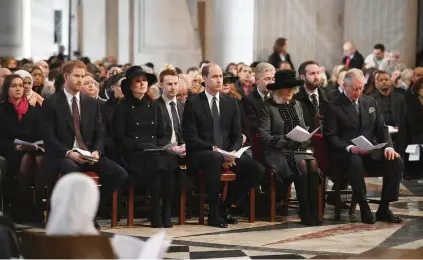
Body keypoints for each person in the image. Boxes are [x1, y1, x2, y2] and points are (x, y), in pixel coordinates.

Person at [42, 60, 128, 225]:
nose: (80, 80)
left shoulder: (91, 103)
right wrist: (69, 153)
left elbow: (99, 133)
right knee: (73, 170)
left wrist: (96, 152)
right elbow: (49, 137)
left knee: (119, 173)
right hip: (63, 155)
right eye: (76, 76)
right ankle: (73, 216)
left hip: (88, 153)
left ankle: (89, 212)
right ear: (66, 76)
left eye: (83, 76)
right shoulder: (52, 103)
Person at [182, 63, 265, 228]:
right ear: (205, 79)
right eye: (214, 77)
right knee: (214, 158)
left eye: (220, 76)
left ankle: (224, 207)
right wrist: (216, 150)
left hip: (227, 153)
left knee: (257, 169)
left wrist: (232, 152)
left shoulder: (231, 102)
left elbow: (236, 135)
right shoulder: (193, 103)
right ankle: (213, 214)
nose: (219, 80)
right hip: (202, 153)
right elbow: (190, 137)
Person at [324, 69, 403, 224]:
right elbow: (330, 136)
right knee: (355, 162)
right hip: (346, 155)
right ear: (344, 86)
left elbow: (381, 128)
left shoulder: (370, 102)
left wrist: (388, 147)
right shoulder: (333, 106)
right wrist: (349, 148)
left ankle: (384, 208)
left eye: (361, 88)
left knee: (396, 161)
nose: (359, 92)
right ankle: (364, 206)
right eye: (355, 89)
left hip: (369, 152)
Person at [112, 66, 180, 228]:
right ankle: (156, 212)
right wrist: (140, 146)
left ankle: (167, 212)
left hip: (154, 150)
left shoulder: (154, 105)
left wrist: (162, 146)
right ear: (130, 86)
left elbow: (163, 132)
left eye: (144, 81)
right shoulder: (122, 107)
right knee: (157, 166)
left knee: (170, 162)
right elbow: (119, 137)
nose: (142, 84)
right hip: (133, 154)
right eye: (138, 81)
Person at [258, 70, 321, 226]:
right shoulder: (266, 106)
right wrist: (286, 142)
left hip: (297, 148)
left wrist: (304, 138)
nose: (292, 91)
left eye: (293, 88)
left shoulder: (297, 104)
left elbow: (301, 128)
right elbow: (265, 136)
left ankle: (314, 209)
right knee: (301, 165)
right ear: (278, 89)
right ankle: (304, 209)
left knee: (312, 164)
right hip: (276, 151)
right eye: (288, 88)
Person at [0, 75, 45, 222]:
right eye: (14, 86)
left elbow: (41, 133)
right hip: (10, 150)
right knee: (27, 159)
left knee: (38, 159)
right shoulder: (2, 109)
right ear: (7, 89)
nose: (19, 88)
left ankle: (38, 208)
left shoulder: (34, 110)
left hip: (32, 149)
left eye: (20, 85)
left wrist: (36, 144)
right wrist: (15, 146)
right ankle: (23, 209)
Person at [294, 61, 329, 132]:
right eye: (312, 74)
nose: (316, 77)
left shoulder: (328, 95)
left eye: (318, 73)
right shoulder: (295, 99)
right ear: (302, 77)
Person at [243, 62, 275, 135]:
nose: (271, 82)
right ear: (257, 80)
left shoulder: (277, 97)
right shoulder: (248, 100)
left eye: (273, 79)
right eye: (267, 79)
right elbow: (254, 126)